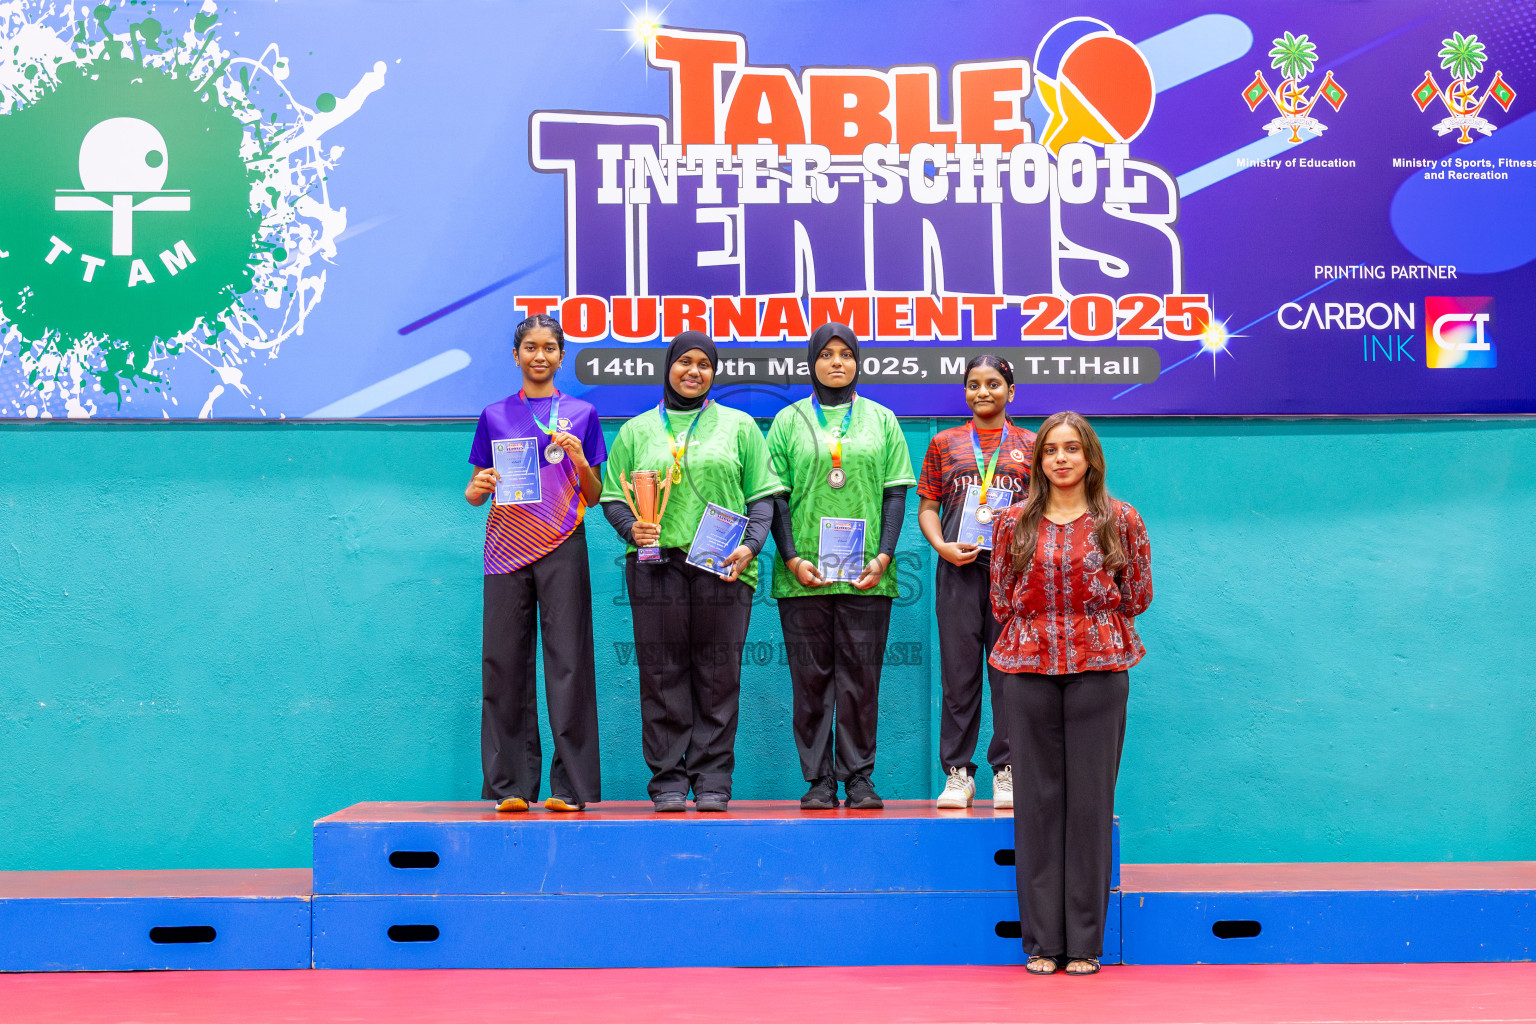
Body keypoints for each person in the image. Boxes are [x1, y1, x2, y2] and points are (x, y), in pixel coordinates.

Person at [989, 411, 1152, 976]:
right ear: (1038, 461)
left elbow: (1137, 595)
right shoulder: (1012, 522)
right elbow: (1001, 598)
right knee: (1035, 807)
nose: (1061, 458)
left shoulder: (1121, 519)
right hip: (1027, 670)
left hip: (1100, 670)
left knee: (1089, 806)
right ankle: (1042, 942)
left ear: (1090, 457)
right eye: (1050, 450)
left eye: (1071, 448)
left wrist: (1087, 626)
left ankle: (1084, 943)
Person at [600, 331, 784, 813]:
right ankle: (667, 780)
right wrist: (630, 528)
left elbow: (762, 497)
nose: (693, 371)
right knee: (661, 675)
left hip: (721, 566)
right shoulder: (637, 430)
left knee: (718, 675)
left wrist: (750, 546)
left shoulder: (740, 426)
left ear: (714, 373)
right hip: (655, 565)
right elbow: (612, 497)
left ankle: (712, 779)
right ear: (668, 367)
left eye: (704, 364)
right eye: (685, 361)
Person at [767, 323, 915, 810]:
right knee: (810, 682)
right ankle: (818, 781)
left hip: (868, 574)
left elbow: (895, 493)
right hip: (802, 575)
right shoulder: (788, 420)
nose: (836, 362)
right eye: (826, 354)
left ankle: (858, 780)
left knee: (860, 681)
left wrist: (884, 555)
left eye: (846, 354)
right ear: (812, 362)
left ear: (857, 361)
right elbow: (775, 497)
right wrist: (791, 557)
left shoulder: (882, 419)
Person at [465, 313, 606, 813]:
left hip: (563, 543)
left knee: (569, 662)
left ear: (561, 357)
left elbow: (595, 493)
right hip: (506, 548)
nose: (539, 355)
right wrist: (477, 487)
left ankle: (570, 788)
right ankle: (511, 786)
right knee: (503, 663)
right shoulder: (495, 415)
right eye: (530, 347)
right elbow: (475, 491)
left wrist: (580, 460)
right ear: (516, 355)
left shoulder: (583, 414)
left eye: (549, 347)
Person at [917, 356, 1035, 810]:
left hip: (1013, 578)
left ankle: (1008, 769)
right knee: (959, 677)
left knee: (1009, 676)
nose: (982, 392)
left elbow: (1042, 510)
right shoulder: (944, 443)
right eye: (973, 384)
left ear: (1011, 391)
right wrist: (941, 546)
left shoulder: (1031, 444)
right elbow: (928, 507)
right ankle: (958, 774)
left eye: (993, 384)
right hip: (958, 572)